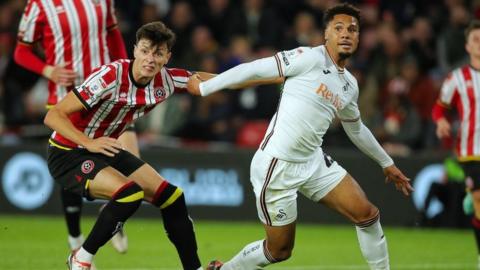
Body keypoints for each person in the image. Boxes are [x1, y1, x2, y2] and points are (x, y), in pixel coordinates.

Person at [188, 4, 414, 270]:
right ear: (326, 34)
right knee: (279, 251)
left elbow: (356, 128)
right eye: (338, 28)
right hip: (276, 166)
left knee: (367, 214)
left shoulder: (349, 84)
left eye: (352, 29)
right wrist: (206, 87)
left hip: (313, 161)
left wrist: (386, 163)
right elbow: (255, 69)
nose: (345, 34)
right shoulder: (307, 57)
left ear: (359, 37)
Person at [43, 21, 203, 270]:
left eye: (158, 53)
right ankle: (81, 259)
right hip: (68, 153)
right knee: (130, 194)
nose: (150, 58)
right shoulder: (110, 76)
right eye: (146, 50)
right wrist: (89, 142)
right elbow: (53, 116)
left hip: (105, 148)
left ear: (167, 58)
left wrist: (269, 73)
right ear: (135, 50)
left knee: (173, 198)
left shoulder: (167, 80)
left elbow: (209, 80)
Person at [14, 0, 133, 257]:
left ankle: (111, 210)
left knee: (130, 153)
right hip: (67, 98)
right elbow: (21, 52)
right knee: (73, 161)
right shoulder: (40, 4)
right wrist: (48, 70)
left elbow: (112, 33)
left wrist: (126, 68)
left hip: (107, 93)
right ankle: (75, 237)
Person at [432, 19, 480, 269]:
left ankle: (471, 198)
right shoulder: (457, 78)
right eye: (476, 40)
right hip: (471, 151)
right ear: (467, 45)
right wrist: (441, 122)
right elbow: (440, 108)